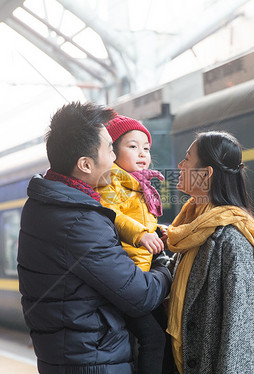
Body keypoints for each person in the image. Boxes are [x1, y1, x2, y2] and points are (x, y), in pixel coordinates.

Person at [17, 102, 172, 374]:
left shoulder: (49, 203)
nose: (114, 159)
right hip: (93, 361)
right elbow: (141, 294)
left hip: (77, 355)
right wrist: (164, 265)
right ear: (85, 164)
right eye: (110, 149)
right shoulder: (78, 220)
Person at [166, 131, 254, 374]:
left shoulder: (232, 238)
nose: (180, 165)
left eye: (187, 159)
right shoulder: (193, 226)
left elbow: (239, 336)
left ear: (205, 174)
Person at [96, 115, 169, 374]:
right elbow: (111, 214)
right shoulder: (110, 181)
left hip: (143, 275)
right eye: (132, 146)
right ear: (112, 151)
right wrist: (140, 235)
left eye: (146, 148)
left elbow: (144, 221)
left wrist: (159, 231)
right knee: (153, 338)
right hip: (128, 277)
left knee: (161, 335)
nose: (142, 153)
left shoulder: (139, 185)